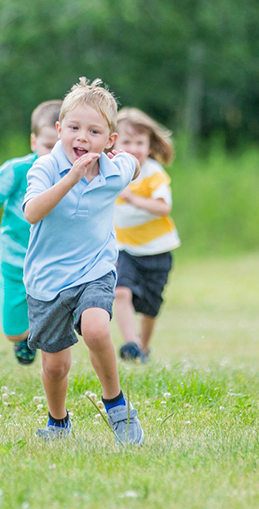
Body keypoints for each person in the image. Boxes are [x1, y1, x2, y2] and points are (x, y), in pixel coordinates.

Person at [23, 78, 144, 444]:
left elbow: (133, 165)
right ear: (59, 130)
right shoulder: (44, 168)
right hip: (47, 281)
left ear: (109, 140)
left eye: (94, 131)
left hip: (95, 269)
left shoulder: (112, 169)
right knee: (55, 365)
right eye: (73, 128)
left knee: (95, 329)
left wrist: (127, 163)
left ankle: (116, 404)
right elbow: (31, 212)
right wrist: (71, 178)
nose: (81, 137)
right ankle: (58, 422)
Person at [0, 100, 61, 365]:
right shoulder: (17, 170)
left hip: (54, 263)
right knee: (13, 331)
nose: (53, 155)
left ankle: (49, 339)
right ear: (33, 142)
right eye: (47, 146)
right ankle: (25, 337)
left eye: (60, 147)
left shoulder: (74, 176)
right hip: (15, 261)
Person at [112, 108, 180, 363]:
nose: (133, 148)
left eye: (140, 142)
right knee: (120, 291)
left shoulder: (154, 173)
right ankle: (131, 344)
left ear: (150, 145)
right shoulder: (111, 171)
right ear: (114, 142)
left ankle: (144, 346)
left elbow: (164, 207)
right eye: (126, 142)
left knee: (151, 307)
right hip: (124, 248)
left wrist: (133, 198)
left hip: (157, 250)